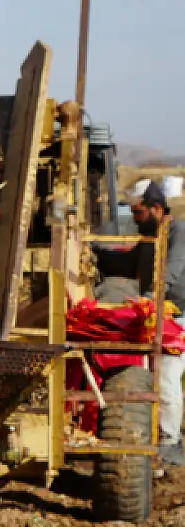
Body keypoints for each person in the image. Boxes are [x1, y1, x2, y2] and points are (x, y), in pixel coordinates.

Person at [108, 183, 185, 465]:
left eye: (138, 212)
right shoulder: (150, 237)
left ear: (156, 208)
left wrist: (151, 298)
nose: (135, 218)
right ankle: (159, 433)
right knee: (153, 373)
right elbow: (128, 264)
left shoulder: (178, 233)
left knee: (166, 373)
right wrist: (93, 252)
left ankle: (171, 444)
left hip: (179, 316)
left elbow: (172, 271)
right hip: (160, 312)